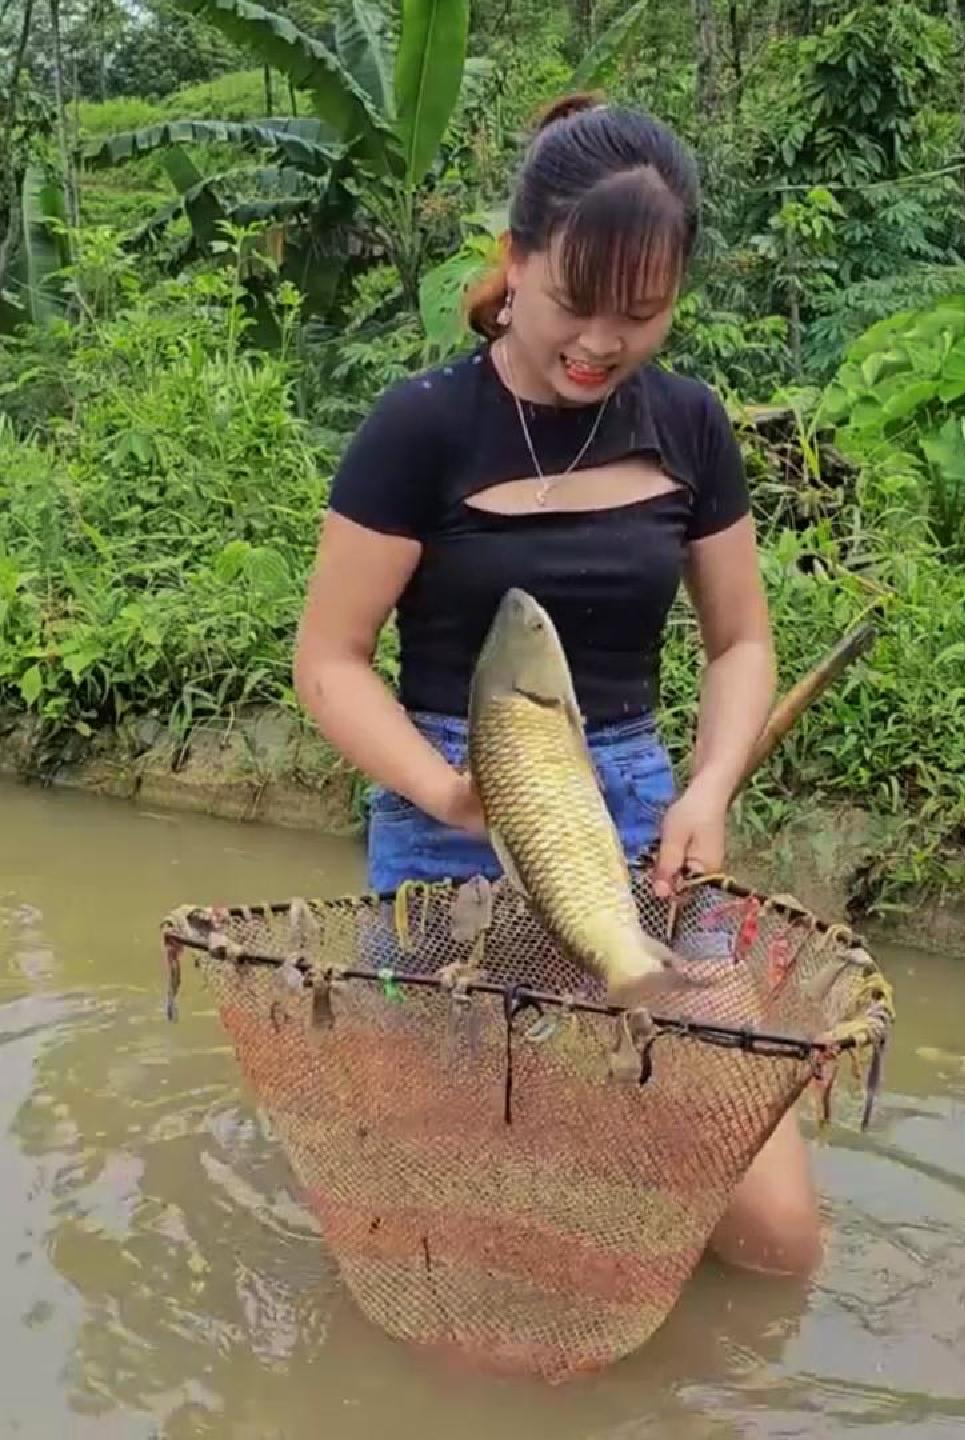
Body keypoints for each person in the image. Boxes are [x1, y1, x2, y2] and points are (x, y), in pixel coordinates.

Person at [290, 94, 822, 1279]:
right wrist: (444, 788)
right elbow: (327, 662)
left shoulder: (688, 426)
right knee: (476, 1223)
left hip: (637, 814)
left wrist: (708, 787)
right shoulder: (420, 429)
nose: (601, 342)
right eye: (574, 303)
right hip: (450, 826)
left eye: (640, 313)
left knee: (775, 1238)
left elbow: (738, 643)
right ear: (516, 262)